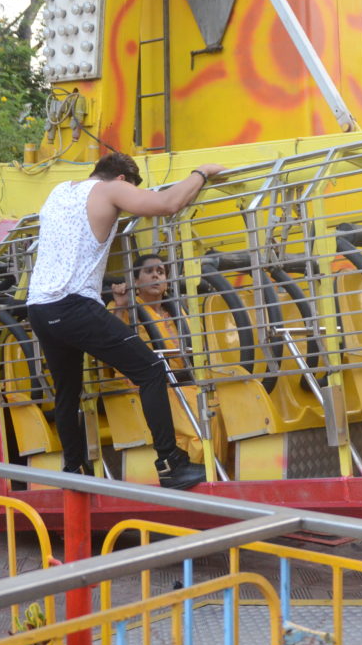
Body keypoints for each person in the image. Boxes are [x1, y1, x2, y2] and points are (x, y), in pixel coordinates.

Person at [26, 152, 226, 489]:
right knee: (150, 369)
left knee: (67, 392)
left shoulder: (60, 190)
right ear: (122, 180)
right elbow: (167, 204)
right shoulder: (109, 190)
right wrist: (202, 172)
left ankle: (74, 472)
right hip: (73, 304)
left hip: (39, 307)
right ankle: (170, 464)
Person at [109, 254, 228, 466]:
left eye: (160, 272)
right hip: (150, 385)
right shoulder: (124, 307)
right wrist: (120, 306)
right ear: (136, 281)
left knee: (220, 413)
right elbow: (111, 342)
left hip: (185, 382)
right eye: (149, 271)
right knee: (199, 430)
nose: (156, 275)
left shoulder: (175, 310)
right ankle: (199, 474)